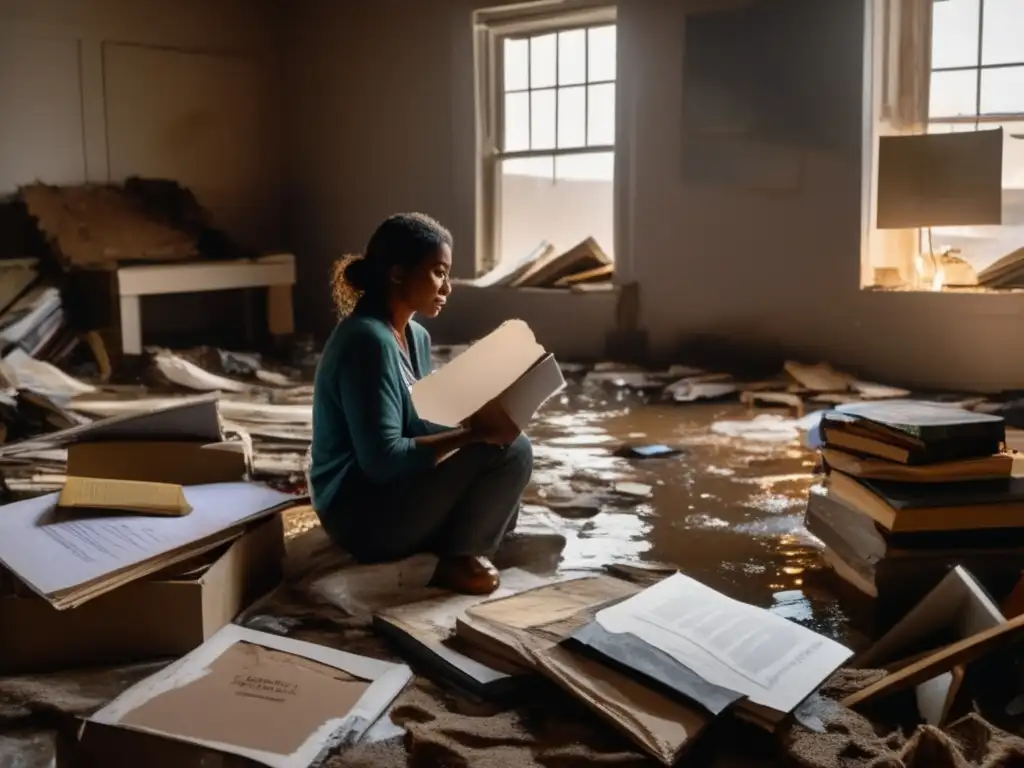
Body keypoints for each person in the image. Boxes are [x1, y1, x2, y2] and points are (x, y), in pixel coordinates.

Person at [309, 213, 532, 595]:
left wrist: (478, 409)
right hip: (358, 514)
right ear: (397, 273)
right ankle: (457, 557)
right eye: (437, 272)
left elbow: (420, 421)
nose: (447, 286)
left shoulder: (416, 336)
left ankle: (459, 546)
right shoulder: (367, 341)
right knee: (507, 451)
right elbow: (382, 461)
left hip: (387, 494)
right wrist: (472, 433)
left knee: (505, 444)